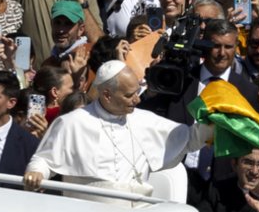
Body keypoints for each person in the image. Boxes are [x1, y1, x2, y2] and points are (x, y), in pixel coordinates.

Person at [22, 61, 212, 197]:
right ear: (107, 95)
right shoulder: (72, 123)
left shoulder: (144, 120)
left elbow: (189, 139)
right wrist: (36, 172)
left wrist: (216, 120)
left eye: (137, 93)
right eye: (129, 95)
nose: (137, 100)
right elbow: (43, 160)